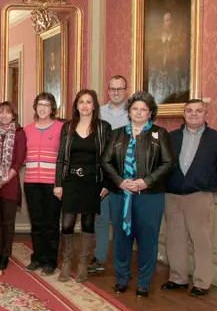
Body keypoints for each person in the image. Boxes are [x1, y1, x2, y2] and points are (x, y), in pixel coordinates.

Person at [102, 91, 174, 297]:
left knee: (147, 240)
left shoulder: (160, 134)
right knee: (122, 238)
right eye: (135, 109)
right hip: (120, 194)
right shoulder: (116, 134)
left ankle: (143, 282)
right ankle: (122, 278)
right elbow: (105, 161)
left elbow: (169, 163)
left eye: (143, 109)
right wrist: (120, 181)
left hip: (150, 197)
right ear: (129, 111)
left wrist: (145, 182)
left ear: (150, 113)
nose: (139, 112)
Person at [163, 99, 217, 297]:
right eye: (189, 111)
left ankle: (202, 282)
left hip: (200, 195)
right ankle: (178, 279)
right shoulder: (171, 137)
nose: (193, 114)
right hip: (173, 195)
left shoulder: (216, 138)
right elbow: (162, 163)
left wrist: (209, 184)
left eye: (198, 111)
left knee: (202, 240)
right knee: (175, 239)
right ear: (183, 114)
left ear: (205, 114)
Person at [54, 90, 111, 283]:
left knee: (88, 223)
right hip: (71, 181)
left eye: (89, 102)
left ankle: (83, 265)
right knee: (67, 223)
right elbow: (61, 157)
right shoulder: (68, 127)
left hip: (93, 183)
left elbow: (107, 158)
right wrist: (58, 184)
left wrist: (107, 183)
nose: (85, 106)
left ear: (94, 105)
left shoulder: (104, 127)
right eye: (81, 102)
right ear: (76, 106)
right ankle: (67, 262)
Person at [91, 75, 130, 274]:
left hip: (127, 175)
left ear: (126, 90)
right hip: (103, 173)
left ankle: (122, 261)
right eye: (112, 89)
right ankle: (99, 257)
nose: (116, 92)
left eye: (120, 89)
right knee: (102, 217)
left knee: (124, 220)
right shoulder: (99, 113)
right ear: (108, 90)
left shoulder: (133, 112)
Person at [23, 93, 63, 276]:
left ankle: (50, 261)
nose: (43, 108)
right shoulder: (27, 130)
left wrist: (60, 183)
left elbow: (63, 158)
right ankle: (37, 257)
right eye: (40, 104)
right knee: (37, 223)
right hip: (31, 182)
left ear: (52, 108)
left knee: (51, 223)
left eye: (47, 105)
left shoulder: (60, 128)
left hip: (51, 184)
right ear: (35, 107)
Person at [0, 102, 26, 270]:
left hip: (9, 183)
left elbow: (18, 161)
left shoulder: (19, 133)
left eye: (7, 112)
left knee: (7, 221)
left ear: (13, 115)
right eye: (1, 112)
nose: (4, 115)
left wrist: (5, 179)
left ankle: (5, 255)